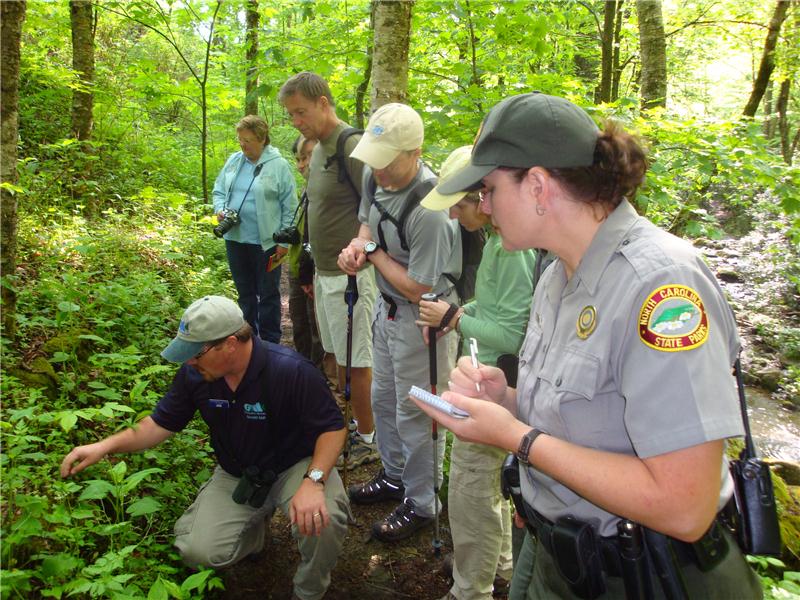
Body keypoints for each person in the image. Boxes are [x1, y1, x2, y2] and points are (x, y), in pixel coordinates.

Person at [412, 92, 762, 598]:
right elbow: (586, 417)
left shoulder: (662, 287)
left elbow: (686, 506)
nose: (483, 207)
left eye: (488, 189)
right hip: (556, 556)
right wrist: (504, 399)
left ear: (537, 186)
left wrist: (516, 438)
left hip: (647, 576)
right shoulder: (556, 276)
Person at [61, 296, 350, 600]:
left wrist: (314, 481)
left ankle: (309, 591)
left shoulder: (292, 371)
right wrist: (104, 447)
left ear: (229, 344)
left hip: (296, 466)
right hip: (237, 473)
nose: (189, 362)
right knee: (197, 551)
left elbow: (333, 428)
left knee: (324, 518)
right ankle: (253, 535)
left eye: (196, 353)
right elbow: (158, 425)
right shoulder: (195, 376)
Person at [415, 145, 537, 600]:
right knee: (489, 484)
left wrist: (452, 319)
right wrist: (459, 311)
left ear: (484, 195)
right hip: (487, 374)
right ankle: (501, 564)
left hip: (500, 385)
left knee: (470, 488)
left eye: (461, 205)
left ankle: (470, 589)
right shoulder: (497, 241)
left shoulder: (515, 250)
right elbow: (492, 304)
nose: (458, 216)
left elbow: (513, 334)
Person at [338, 103, 461, 542]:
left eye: (388, 159)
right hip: (385, 311)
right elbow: (366, 227)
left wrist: (372, 256)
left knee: (418, 410)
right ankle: (394, 477)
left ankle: (424, 502)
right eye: (375, 156)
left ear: (416, 152)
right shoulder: (375, 176)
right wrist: (356, 248)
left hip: (423, 322)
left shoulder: (431, 209)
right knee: (386, 398)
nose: (379, 169)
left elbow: (418, 286)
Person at [279, 72, 379, 468]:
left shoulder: (350, 146)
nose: (296, 122)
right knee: (337, 359)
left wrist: (361, 247)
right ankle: (353, 426)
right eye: (290, 116)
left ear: (324, 103)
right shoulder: (318, 149)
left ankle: (368, 439)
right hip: (324, 275)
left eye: (301, 112)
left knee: (357, 363)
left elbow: (374, 207)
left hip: (351, 277)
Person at [212, 115, 296, 344]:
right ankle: (248, 340)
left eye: (247, 140)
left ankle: (270, 343)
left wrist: (284, 242)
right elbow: (219, 190)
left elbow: (289, 206)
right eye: (240, 140)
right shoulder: (234, 161)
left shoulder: (278, 165)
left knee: (268, 294)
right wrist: (220, 209)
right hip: (236, 239)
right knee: (245, 294)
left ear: (261, 139)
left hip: (266, 242)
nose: (243, 145)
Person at [287, 134, 325, 368]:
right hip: (297, 265)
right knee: (299, 323)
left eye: (306, 158)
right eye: (298, 159)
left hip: (312, 270)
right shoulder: (307, 188)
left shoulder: (326, 190)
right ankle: (301, 371)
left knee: (316, 329)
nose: (301, 165)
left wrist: (306, 272)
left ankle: (317, 378)